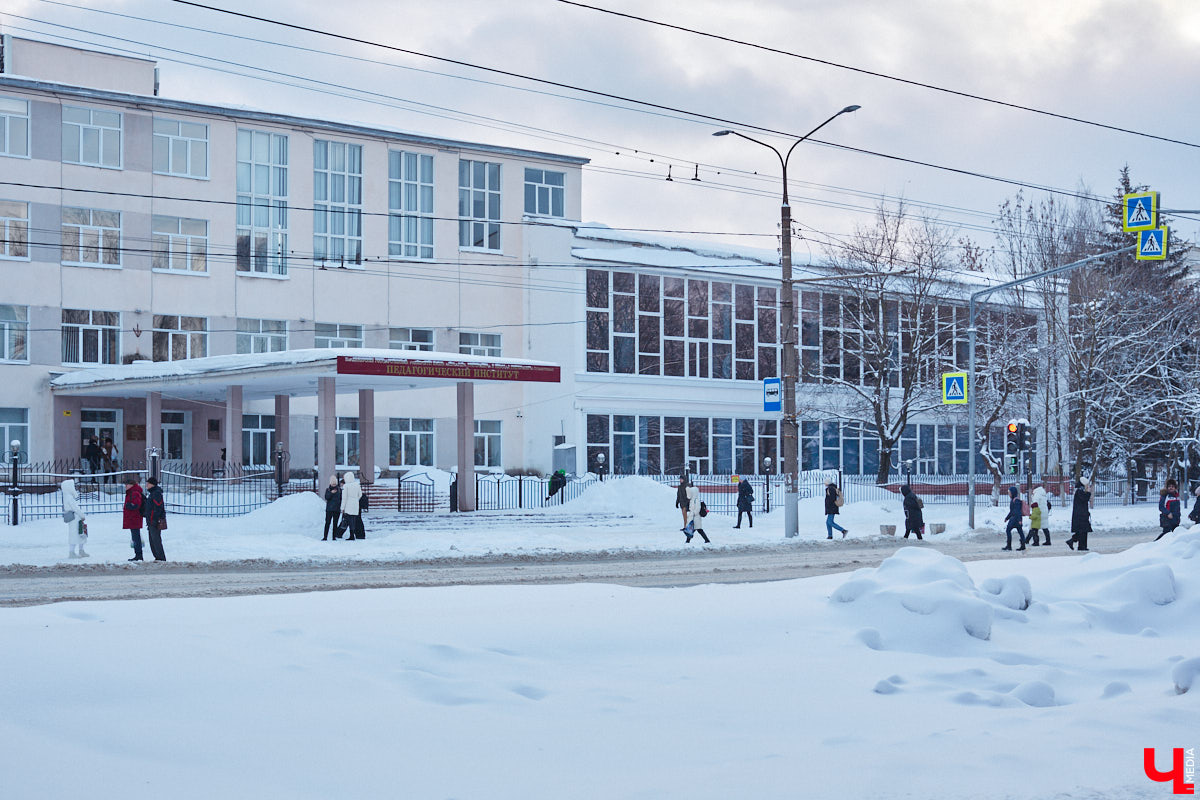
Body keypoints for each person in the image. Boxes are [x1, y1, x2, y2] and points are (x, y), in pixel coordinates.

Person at [142, 476, 168, 561]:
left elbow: (157, 508)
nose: (146, 485)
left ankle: (161, 558)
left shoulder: (156, 493)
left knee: (156, 540)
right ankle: (157, 557)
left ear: (152, 484)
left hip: (154, 521)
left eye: (148, 483)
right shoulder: (152, 493)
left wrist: (154, 520)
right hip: (151, 520)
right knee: (152, 541)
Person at [62, 478, 88, 558]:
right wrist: (82, 515)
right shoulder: (69, 497)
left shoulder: (67, 496)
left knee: (80, 534)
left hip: (74, 518)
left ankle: (80, 550)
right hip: (75, 518)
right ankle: (72, 552)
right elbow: (76, 508)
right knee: (77, 534)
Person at [1065, 477, 1092, 551]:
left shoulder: (1079, 490)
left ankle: (1079, 545)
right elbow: (1085, 498)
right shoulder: (1079, 491)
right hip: (1080, 515)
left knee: (1083, 531)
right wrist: (1088, 492)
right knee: (1083, 531)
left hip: (1081, 514)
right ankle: (1078, 544)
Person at [123, 476, 144, 561]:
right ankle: (138, 555)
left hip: (134, 518)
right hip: (133, 518)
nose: (125, 486)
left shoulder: (134, 492)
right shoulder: (131, 492)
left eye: (126, 484)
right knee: (135, 537)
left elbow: (136, 505)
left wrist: (129, 506)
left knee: (136, 537)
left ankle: (139, 555)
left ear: (131, 485)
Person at [340, 471, 365, 540]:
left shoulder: (346, 486)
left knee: (349, 520)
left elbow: (344, 498)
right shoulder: (357, 485)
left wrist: (342, 508)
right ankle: (354, 534)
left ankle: (351, 535)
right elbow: (360, 495)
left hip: (348, 504)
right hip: (355, 504)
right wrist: (356, 499)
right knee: (354, 520)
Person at [1002, 485, 1026, 551]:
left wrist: (1019, 520)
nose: (1008, 494)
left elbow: (1017, 511)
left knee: (1008, 530)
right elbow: (1012, 511)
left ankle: (1009, 546)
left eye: (1009, 492)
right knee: (1020, 532)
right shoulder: (1014, 500)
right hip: (1015, 518)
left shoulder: (1016, 500)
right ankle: (1022, 545)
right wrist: (1007, 518)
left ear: (1013, 493)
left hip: (1015, 519)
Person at [322, 475, 342, 541]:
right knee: (327, 523)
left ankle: (334, 537)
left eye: (335, 483)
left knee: (335, 523)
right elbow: (326, 497)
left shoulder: (339, 490)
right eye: (333, 483)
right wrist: (331, 493)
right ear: (330, 483)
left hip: (336, 509)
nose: (334, 484)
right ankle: (325, 537)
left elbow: (341, 499)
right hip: (329, 509)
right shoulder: (328, 490)